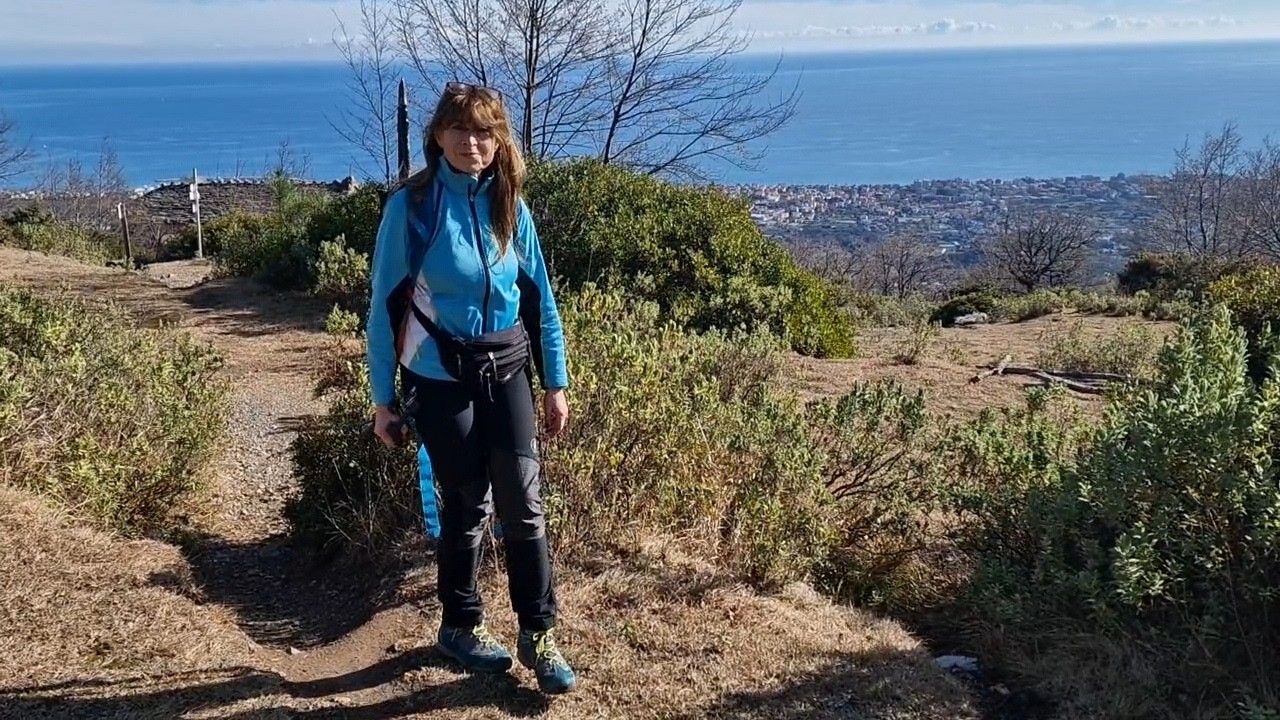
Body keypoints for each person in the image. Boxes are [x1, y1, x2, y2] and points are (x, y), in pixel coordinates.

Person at [365, 81, 575, 695]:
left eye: (484, 131)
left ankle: (539, 634)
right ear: (437, 136)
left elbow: (540, 300)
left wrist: (555, 382)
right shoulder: (413, 206)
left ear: (499, 139)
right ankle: (460, 626)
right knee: (465, 503)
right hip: (438, 375)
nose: (472, 142)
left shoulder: (511, 204)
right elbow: (383, 307)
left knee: (524, 501)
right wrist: (383, 399)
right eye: (459, 129)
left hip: (507, 364)